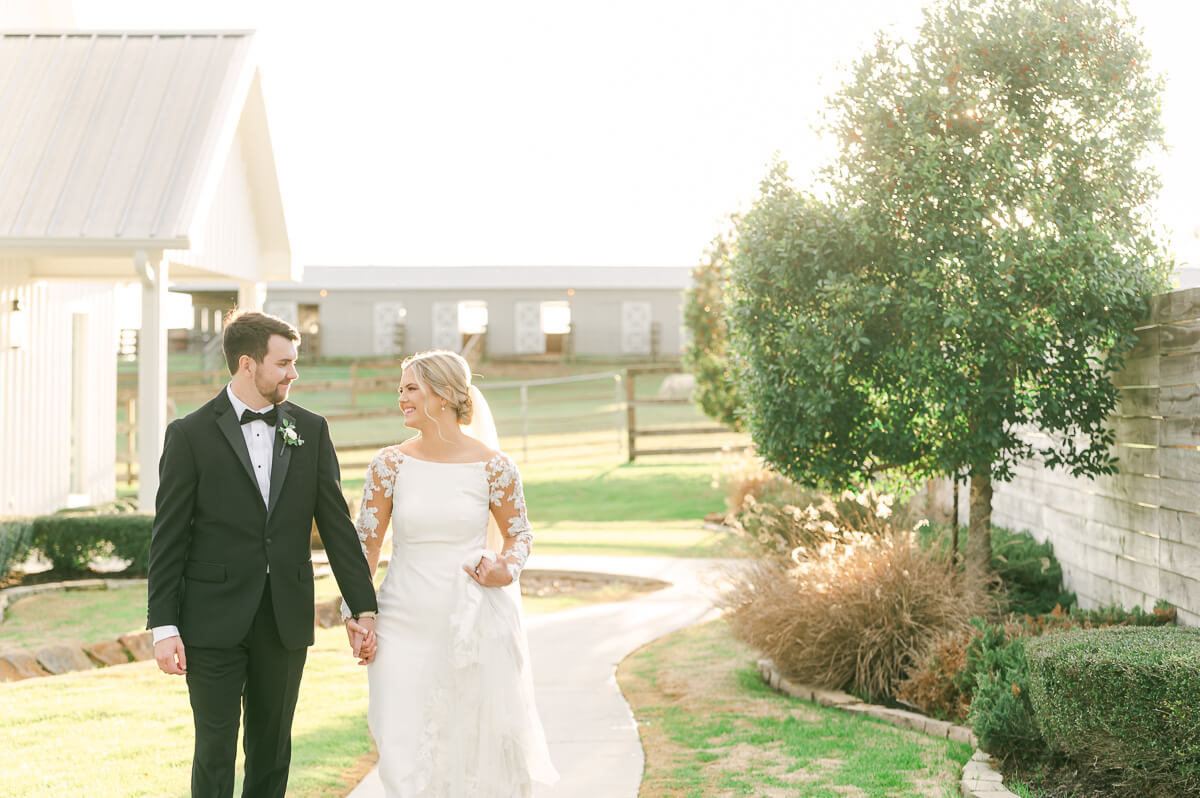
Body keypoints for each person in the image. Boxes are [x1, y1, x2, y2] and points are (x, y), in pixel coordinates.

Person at [146, 311, 379, 798]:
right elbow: (168, 537)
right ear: (248, 364)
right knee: (214, 751)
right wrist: (164, 626)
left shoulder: (310, 429)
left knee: (273, 751)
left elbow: (337, 527)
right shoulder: (189, 435)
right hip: (210, 621)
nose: (294, 374)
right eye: (285, 363)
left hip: (284, 617)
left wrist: (364, 606)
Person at [348, 350, 558, 797]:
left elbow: (520, 534)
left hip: (469, 627)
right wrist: (357, 613)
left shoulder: (495, 467)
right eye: (401, 387)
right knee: (401, 749)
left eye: (410, 387)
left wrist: (505, 568)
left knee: (468, 749)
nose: (399, 396)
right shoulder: (389, 465)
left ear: (442, 394)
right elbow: (363, 547)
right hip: (400, 624)